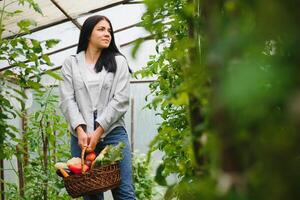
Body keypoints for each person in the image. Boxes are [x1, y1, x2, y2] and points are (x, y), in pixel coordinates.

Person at [59, 15, 135, 200]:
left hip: (113, 133)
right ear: (88, 34)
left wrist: (99, 130)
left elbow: (121, 100)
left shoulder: (119, 62)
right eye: (101, 29)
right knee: (90, 193)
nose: (107, 34)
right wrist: (80, 129)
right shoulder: (71, 63)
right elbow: (67, 99)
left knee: (124, 192)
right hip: (81, 137)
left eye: (109, 31)